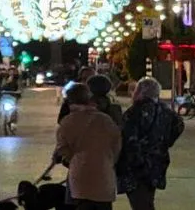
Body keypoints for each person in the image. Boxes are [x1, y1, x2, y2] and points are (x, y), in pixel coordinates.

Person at [115, 77, 184, 210]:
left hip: (135, 167)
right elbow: (179, 125)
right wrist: (165, 142)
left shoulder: (134, 112)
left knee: (140, 203)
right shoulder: (166, 111)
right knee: (147, 200)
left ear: (140, 92)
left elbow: (127, 139)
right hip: (157, 163)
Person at [54, 84, 121, 210]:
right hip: (104, 174)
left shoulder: (67, 122)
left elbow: (63, 149)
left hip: (80, 178)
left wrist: (73, 160)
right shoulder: (106, 120)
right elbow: (116, 145)